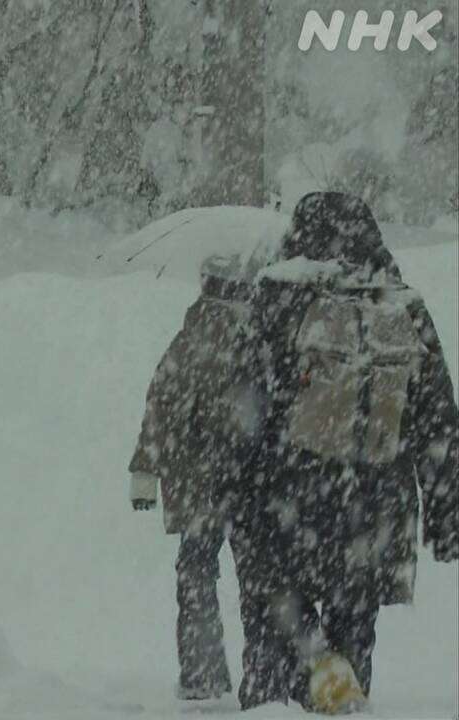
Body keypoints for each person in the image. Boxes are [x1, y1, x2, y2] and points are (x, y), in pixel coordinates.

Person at [231, 192, 459, 713]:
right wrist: (447, 515)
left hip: (284, 504)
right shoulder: (400, 303)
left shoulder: (278, 297)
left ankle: (276, 701)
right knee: (353, 638)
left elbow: (244, 410)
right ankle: (342, 698)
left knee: (274, 640)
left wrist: (234, 496)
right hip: (372, 517)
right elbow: (438, 420)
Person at [129, 254, 259, 701]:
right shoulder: (266, 332)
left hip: (200, 484)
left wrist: (144, 472)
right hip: (255, 484)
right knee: (260, 581)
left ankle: (203, 675)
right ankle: (265, 677)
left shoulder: (193, 337)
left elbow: (161, 407)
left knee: (198, 574)